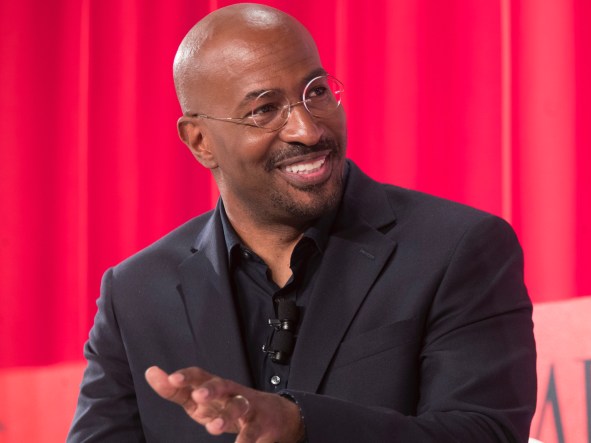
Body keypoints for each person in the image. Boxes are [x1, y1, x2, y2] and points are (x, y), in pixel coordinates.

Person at [68, 3, 536, 442]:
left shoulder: (457, 248)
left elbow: (484, 433)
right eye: (265, 110)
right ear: (200, 141)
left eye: (316, 92)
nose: (308, 130)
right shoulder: (135, 294)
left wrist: (301, 426)